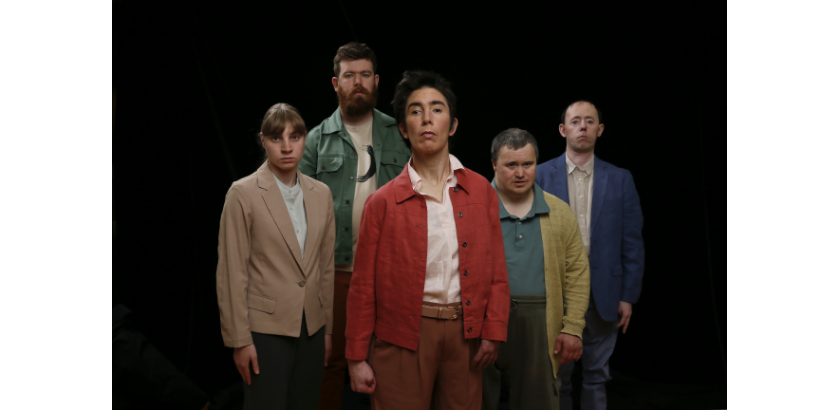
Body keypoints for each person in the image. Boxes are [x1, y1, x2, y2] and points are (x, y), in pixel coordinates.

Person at [344, 70, 510, 410]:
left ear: (453, 124)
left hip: (465, 335)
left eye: (437, 109)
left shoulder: (481, 191)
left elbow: (496, 270)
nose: (427, 119)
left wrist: (493, 331)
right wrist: (356, 357)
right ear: (404, 129)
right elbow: (362, 286)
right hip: (402, 335)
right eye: (415, 111)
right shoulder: (382, 202)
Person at [297, 42, 412, 410]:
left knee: (387, 362)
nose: (357, 82)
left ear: (376, 80)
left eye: (364, 75)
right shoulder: (316, 139)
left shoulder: (400, 133)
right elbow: (295, 208)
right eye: (349, 76)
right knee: (329, 360)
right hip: (334, 272)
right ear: (336, 82)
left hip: (389, 269)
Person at [216, 103, 336, 410]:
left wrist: (327, 330)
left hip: (312, 327)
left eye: (294, 137)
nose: (286, 147)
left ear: (305, 139)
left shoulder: (321, 194)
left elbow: (325, 268)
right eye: (276, 138)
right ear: (262, 140)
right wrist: (239, 340)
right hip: (265, 330)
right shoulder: (242, 194)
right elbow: (232, 272)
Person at [535, 101, 645, 410]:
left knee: (597, 374)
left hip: (606, 293)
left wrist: (628, 296)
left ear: (600, 129)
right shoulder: (540, 176)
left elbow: (632, 242)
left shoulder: (621, 179)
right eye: (575, 121)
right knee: (560, 376)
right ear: (563, 129)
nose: (582, 126)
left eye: (589, 121)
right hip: (558, 290)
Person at [481, 128, 590, 410]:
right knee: (471, 400)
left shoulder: (559, 212)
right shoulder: (474, 208)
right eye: (511, 165)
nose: (520, 173)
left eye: (527, 164)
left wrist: (573, 327)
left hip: (540, 322)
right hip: (481, 319)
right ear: (494, 164)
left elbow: (577, 273)